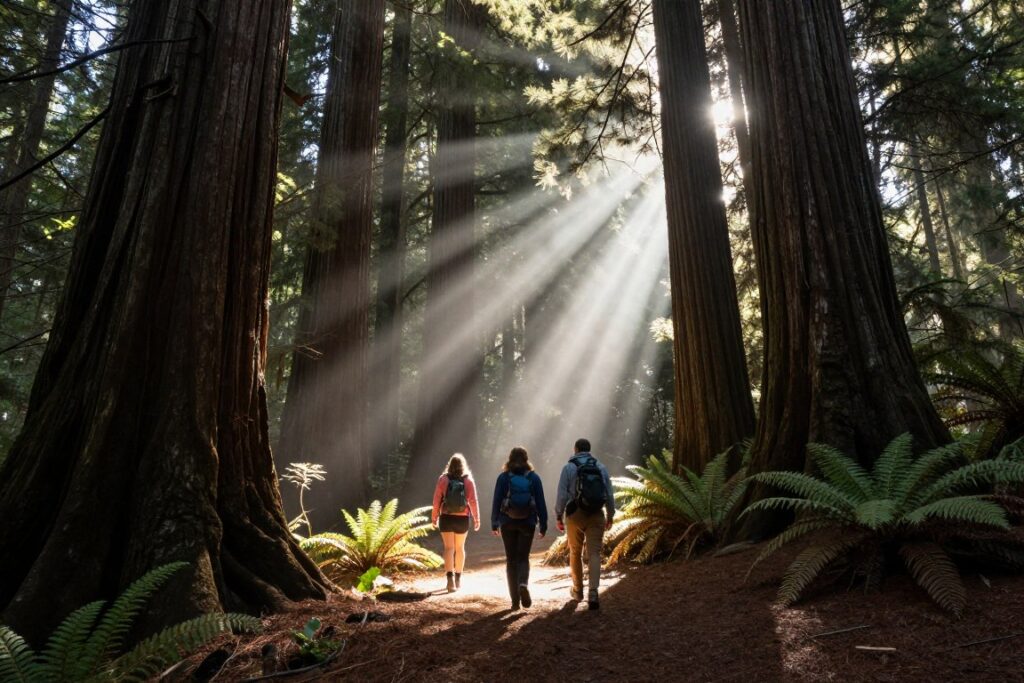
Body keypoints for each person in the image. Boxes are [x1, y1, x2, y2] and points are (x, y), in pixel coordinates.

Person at [555, 438, 614, 610]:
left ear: (575, 450)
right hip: (596, 514)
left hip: (575, 514)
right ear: (589, 449)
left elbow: (562, 495)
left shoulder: (568, 467)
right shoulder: (600, 467)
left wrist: (559, 515)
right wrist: (610, 515)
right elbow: (609, 494)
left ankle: (578, 590)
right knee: (594, 553)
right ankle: (593, 592)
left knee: (575, 551)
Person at [491, 446, 548, 611]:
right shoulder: (534, 478)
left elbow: (496, 500)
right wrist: (543, 524)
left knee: (511, 560)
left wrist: (494, 522)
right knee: (523, 557)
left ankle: (515, 601)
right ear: (526, 460)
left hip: (507, 522)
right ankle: (523, 583)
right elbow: (540, 502)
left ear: (509, 459)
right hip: (528, 522)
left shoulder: (503, 478)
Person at [432, 453, 480, 592]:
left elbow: (436, 500)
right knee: (460, 548)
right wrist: (477, 519)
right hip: (462, 518)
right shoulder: (468, 480)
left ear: (450, 465)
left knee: (448, 548)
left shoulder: (443, 479)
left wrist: (434, 517)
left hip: (446, 517)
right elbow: (473, 501)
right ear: (463, 465)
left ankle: (450, 580)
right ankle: (458, 579)